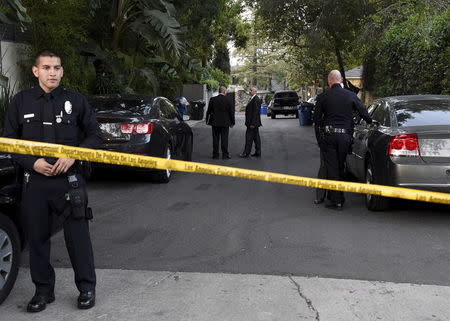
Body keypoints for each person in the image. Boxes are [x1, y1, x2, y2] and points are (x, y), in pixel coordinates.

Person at [3, 50, 102, 312]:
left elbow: (95, 135)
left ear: (62, 71)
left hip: (69, 182)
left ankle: (87, 288)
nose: (53, 73)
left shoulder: (76, 101)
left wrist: (74, 155)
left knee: (78, 238)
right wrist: (31, 162)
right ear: (36, 71)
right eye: (46, 68)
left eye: (57, 68)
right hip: (34, 183)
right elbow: (11, 141)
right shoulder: (20, 101)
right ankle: (43, 291)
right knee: (37, 239)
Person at [313, 70, 372, 210]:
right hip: (345, 137)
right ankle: (338, 198)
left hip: (329, 136)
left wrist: (320, 141)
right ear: (340, 81)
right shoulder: (350, 95)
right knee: (340, 166)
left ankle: (337, 200)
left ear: (329, 81)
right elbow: (363, 110)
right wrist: (370, 120)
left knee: (332, 168)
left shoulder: (323, 97)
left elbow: (316, 121)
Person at [206, 86, 235, 159]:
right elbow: (231, 112)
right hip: (225, 123)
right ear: (225, 91)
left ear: (219, 91)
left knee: (215, 139)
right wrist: (232, 122)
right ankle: (225, 155)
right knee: (224, 139)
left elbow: (208, 111)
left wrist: (207, 120)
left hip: (215, 123)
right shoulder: (228, 100)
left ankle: (215, 155)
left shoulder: (212, 99)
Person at [239, 86, 262, 158]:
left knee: (248, 138)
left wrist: (252, 123)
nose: (249, 91)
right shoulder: (253, 98)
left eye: (251, 90)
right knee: (256, 138)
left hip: (252, 123)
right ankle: (258, 152)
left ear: (255, 91)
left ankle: (246, 153)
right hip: (253, 123)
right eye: (249, 90)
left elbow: (256, 112)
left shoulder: (256, 99)